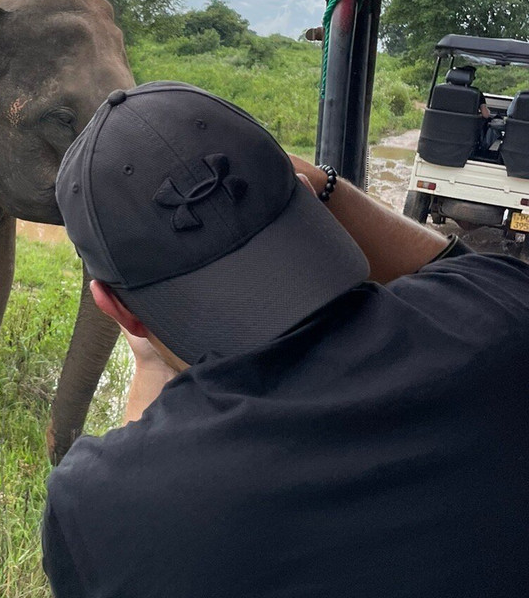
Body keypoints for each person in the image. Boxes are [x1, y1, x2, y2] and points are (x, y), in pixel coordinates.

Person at [43, 81, 529, 598]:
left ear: (116, 309)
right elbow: (463, 273)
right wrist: (325, 188)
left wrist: (151, 371)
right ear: (309, 200)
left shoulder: (95, 506)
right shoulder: (500, 318)